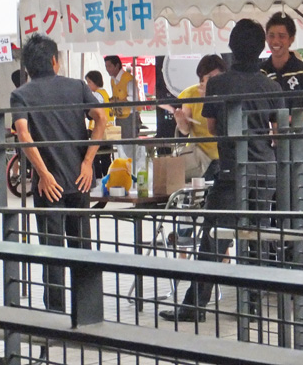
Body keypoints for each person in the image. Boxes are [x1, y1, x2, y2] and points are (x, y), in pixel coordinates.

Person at [159, 19, 284, 322]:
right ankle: (251, 307)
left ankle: (194, 307)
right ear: (262, 48)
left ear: (231, 48)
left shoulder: (218, 84)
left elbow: (213, 126)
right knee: (257, 239)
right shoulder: (271, 86)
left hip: (232, 171)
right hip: (265, 170)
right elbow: (279, 131)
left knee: (214, 237)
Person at [10, 33, 106, 314]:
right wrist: (88, 162)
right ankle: (85, 310)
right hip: (80, 179)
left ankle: (55, 312)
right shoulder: (77, 87)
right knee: (81, 246)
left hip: (47, 184)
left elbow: (23, 134)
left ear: (27, 66)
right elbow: (101, 118)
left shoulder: (21, 94)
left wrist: (43, 173)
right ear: (55, 61)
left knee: (52, 250)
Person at [260, 12, 303, 124]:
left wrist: (285, 121)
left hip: (297, 134)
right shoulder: (260, 72)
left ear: (291, 39)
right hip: (265, 135)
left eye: (281, 36)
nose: (275, 41)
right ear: (266, 38)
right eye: (271, 36)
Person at [174, 55, 227, 181]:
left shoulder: (228, 91)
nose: (214, 81)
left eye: (218, 77)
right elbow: (185, 130)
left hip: (225, 156)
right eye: (210, 77)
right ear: (201, 79)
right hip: (200, 157)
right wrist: (180, 120)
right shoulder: (191, 94)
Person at [104, 55, 143, 165]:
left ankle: (133, 169)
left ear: (117, 66)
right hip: (119, 117)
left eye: (109, 66)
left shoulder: (128, 79)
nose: (107, 69)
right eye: (106, 66)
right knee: (122, 147)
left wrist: (117, 102)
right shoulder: (113, 80)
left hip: (130, 117)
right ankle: (125, 168)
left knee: (130, 147)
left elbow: (133, 98)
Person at [85, 70, 115, 180]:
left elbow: (93, 112)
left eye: (89, 82)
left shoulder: (96, 95)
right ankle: (108, 177)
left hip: (98, 129)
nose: (87, 85)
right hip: (108, 129)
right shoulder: (105, 93)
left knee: (96, 155)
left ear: (95, 82)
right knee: (106, 157)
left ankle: (98, 178)